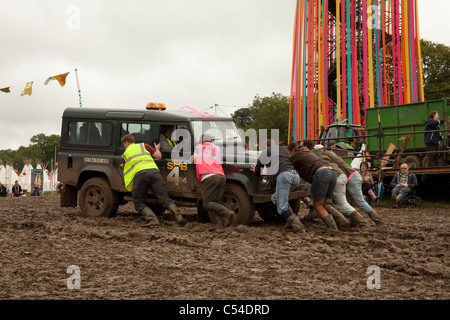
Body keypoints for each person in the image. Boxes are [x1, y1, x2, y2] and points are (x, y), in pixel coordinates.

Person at [302, 140, 370, 231]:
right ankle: (345, 222)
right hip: (338, 174)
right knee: (327, 202)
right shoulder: (324, 153)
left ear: (306, 147)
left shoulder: (313, 154)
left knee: (342, 205)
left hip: (336, 176)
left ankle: (362, 223)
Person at [120, 134, 187, 226]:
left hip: (140, 175)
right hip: (154, 172)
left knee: (138, 203)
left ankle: (153, 219)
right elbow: (159, 156)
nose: (124, 146)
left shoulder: (125, 153)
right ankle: (179, 216)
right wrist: (157, 149)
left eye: (124, 144)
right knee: (164, 198)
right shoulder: (144, 146)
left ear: (126, 142)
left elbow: (123, 165)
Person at [252, 139, 305, 232]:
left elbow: (259, 166)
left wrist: (256, 171)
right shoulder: (283, 150)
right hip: (295, 177)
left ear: (265, 147)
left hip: (284, 177)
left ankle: (298, 226)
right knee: (275, 198)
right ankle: (289, 219)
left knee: (281, 207)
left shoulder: (266, 151)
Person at [287, 141, 340, 231]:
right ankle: (343, 222)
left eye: (289, 153)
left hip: (321, 174)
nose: (289, 155)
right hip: (332, 171)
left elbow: (287, 166)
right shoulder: (307, 152)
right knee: (325, 204)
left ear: (292, 150)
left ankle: (333, 228)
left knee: (317, 205)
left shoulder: (295, 156)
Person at [192, 133, 236, 228]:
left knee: (207, 204)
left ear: (202, 141)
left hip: (209, 177)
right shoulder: (217, 149)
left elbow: (193, 160)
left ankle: (227, 213)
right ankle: (220, 225)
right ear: (211, 141)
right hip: (221, 177)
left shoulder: (199, 148)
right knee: (215, 202)